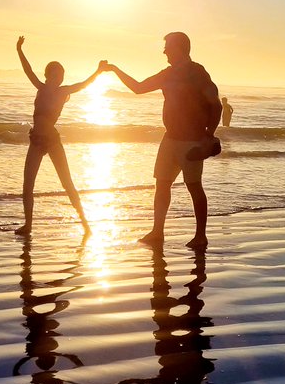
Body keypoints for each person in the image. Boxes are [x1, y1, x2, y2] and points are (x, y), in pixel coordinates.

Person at [106, 32, 222, 246]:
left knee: (194, 186)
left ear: (179, 48)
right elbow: (138, 88)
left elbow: (216, 105)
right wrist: (114, 70)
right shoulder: (168, 74)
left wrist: (209, 135)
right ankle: (157, 232)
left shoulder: (197, 72)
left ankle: (200, 236)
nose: (164, 51)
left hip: (193, 141)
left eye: (168, 46)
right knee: (162, 184)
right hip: (170, 139)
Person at [16, 36, 106, 236]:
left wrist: (98, 71)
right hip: (36, 140)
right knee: (27, 185)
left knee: (67, 183)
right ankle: (28, 225)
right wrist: (19, 49)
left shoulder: (63, 91)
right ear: (48, 75)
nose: (60, 78)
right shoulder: (40, 87)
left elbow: (84, 84)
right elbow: (27, 70)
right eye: (57, 74)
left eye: (62, 75)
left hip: (52, 141)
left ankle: (86, 224)